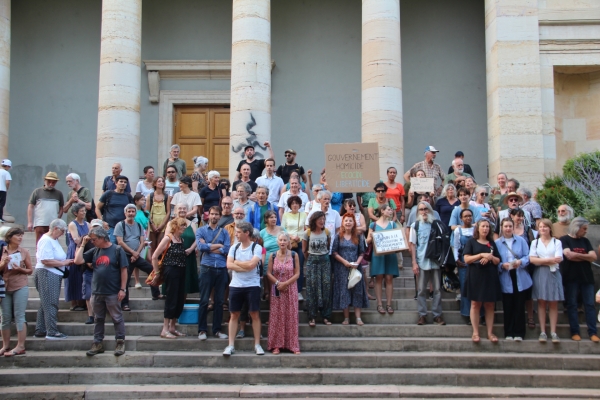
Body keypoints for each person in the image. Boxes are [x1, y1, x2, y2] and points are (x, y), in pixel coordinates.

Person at [75, 226, 128, 357]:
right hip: (97, 291)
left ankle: (120, 342)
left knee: (117, 317)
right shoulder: (94, 251)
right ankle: (97, 342)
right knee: (98, 318)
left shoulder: (117, 249)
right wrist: (83, 244)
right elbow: (78, 260)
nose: (92, 241)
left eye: (94, 239)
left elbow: (124, 270)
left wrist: (122, 289)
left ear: (102, 238)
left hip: (112, 291)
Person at [223, 221, 265, 356]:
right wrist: (242, 265)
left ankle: (257, 344)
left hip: (252, 285)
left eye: (238, 232)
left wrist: (237, 262)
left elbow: (252, 266)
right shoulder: (233, 248)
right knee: (234, 314)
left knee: (254, 314)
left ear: (247, 233)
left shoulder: (256, 248)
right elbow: (228, 265)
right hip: (236, 285)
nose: (236, 234)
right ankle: (230, 345)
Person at [115, 204, 161, 310]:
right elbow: (120, 242)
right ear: (125, 213)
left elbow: (142, 241)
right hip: (125, 256)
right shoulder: (120, 225)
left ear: (135, 213)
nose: (131, 213)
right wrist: (132, 252)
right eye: (129, 211)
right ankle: (124, 304)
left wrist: (137, 253)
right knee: (124, 279)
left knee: (152, 270)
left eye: (133, 211)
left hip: (136, 255)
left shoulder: (139, 225)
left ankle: (156, 293)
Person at [560, 217, 599, 342]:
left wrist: (576, 255)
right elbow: (568, 256)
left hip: (586, 277)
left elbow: (593, 257)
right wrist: (585, 256)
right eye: (584, 229)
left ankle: (593, 332)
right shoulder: (564, 240)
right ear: (577, 227)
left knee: (589, 305)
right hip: (571, 277)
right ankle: (575, 332)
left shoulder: (585, 241)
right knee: (572, 304)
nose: (586, 231)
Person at [463, 219, 502, 343]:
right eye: (483, 226)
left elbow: (498, 260)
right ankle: (475, 332)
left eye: (487, 226)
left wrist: (490, 257)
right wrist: (481, 255)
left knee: (490, 304)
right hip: (475, 276)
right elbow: (467, 259)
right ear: (478, 228)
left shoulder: (491, 243)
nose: (485, 229)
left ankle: (490, 333)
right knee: (475, 304)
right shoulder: (471, 242)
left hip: (490, 276)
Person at [34, 219, 73, 340]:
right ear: (55, 228)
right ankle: (51, 331)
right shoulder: (46, 240)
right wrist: (64, 262)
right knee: (51, 303)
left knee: (45, 302)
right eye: (62, 231)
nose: (63, 233)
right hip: (47, 273)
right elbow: (45, 260)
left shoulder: (53, 240)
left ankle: (40, 329)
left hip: (53, 273)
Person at [150, 217, 188, 339]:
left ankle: (172, 326)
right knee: (171, 298)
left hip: (181, 270)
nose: (184, 228)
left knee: (179, 299)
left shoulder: (181, 239)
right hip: (171, 270)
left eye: (184, 225)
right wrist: (156, 273)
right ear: (175, 226)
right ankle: (165, 329)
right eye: (182, 225)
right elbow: (154, 256)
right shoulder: (168, 238)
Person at [196, 206, 230, 340]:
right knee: (204, 300)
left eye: (217, 214)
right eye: (212, 214)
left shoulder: (224, 232)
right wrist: (218, 246)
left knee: (220, 301)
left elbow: (227, 249)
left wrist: (209, 246)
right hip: (207, 267)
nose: (214, 216)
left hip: (221, 268)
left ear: (220, 217)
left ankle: (217, 329)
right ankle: (202, 330)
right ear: (208, 215)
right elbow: (201, 247)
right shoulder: (201, 230)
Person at [409, 201, 445, 325]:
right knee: (421, 290)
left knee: (437, 290)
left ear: (430, 210)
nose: (424, 212)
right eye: (421, 209)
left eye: (426, 209)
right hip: (422, 260)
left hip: (435, 262)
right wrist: (414, 262)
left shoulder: (437, 225)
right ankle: (422, 315)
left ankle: (437, 315)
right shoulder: (415, 225)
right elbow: (413, 245)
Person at [496, 218, 531, 341]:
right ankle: (509, 332)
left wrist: (521, 261)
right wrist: (501, 265)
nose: (508, 228)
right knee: (508, 306)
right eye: (505, 226)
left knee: (519, 306)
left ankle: (519, 332)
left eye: (510, 226)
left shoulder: (521, 241)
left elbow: (528, 256)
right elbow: (495, 261)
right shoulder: (497, 243)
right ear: (502, 227)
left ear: (513, 227)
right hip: (506, 276)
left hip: (519, 275)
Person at [529, 219, 564, 343]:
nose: (542, 229)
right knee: (541, 302)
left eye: (545, 227)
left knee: (553, 303)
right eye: (540, 227)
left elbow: (559, 259)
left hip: (553, 273)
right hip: (540, 273)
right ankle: (543, 331)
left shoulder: (557, 242)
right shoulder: (535, 242)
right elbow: (532, 259)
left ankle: (553, 332)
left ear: (550, 228)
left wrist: (541, 260)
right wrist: (549, 260)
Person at [0, 227, 32, 356]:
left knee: (19, 316)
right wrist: (3, 263)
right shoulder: (2, 250)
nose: (20, 238)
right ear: (10, 237)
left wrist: (20, 269)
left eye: (21, 236)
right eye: (17, 235)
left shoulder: (24, 252)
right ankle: (5, 345)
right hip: (5, 286)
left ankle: (20, 345)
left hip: (20, 285)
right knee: (5, 317)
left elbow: (30, 270)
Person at [266, 231, 300, 354]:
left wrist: (286, 283)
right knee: (277, 316)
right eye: (280, 240)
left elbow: (297, 274)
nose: (282, 242)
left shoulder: (294, 255)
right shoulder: (272, 255)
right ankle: (276, 345)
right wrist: (278, 284)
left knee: (291, 316)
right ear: (277, 242)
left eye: (285, 240)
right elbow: (268, 273)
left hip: (290, 288)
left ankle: (292, 345)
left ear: (288, 242)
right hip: (277, 288)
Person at [332, 213, 368, 326]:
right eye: (346, 220)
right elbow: (334, 252)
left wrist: (357, 263)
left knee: (357, 291)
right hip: (342, 268)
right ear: (343, 222)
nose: (348, 223)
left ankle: (358, 318)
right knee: (344, 292)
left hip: (356, 268)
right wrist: (344, 262)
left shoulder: (359, 236)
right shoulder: (338, 236)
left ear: (354, 223)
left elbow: (362, 252)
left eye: (350, 221)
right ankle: (346, 318)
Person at [303, 211, 333, 326]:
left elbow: (328, 246)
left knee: (326, 288)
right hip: (312, 261)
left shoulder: (327, 232)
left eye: (323, 219)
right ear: (314, 220)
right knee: (312, 288)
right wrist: (310, 260)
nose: (322, 221)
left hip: (325, 261)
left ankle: (326, 316)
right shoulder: (307, 233)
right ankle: (312, 317)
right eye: (320, 219)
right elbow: (304, 250)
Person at [164, 203, 199, 297]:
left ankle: (181, 304)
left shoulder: (192, 224)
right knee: (173, 283)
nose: (182, 210)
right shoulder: (170, 223)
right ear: (175, 211)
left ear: (187, 210)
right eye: (180, 208)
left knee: (186, 282)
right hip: (174, 258)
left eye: (184, 208)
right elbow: (167, 238)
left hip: (188, 256)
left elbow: (198, 239)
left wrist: (191, 249)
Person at [65, 203, 90, 312]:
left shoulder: (87, 224)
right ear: (75, 213)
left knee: (81, 277)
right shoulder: (72, 224)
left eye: (84, 211)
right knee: (73, 276)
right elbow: (77, 240)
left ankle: (82, 302)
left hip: (84, 250)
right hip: (74, 251)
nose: (84, 212)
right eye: (81, 211)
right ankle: (74, 303)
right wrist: (85, 238)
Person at [281, 195, 307, 300]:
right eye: (292, 203)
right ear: (290, 205)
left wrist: (299, 237)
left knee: (299, 267)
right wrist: (291, 236)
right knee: (288, 267)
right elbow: (283, 229)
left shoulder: (304, 215)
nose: (295, 205)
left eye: (297, 203)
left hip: (300, 243)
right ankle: (287, 290)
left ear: (300, 205)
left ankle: (298, 291)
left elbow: (306, 229)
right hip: (289, 243)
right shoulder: (286, 215)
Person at [27, 172, 65, 243]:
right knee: (40, 243)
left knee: (53, 243)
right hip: (40, 223)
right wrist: (30, 222)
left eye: (53, 182)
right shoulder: (37, 192)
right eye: (49, 182)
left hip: (53, 225)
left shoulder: (59, 193)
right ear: (45, 180)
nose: (51, 184)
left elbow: (61, 208)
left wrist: (58, 219)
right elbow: (30, 206)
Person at [96, 175, 134, 244]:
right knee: (110, 247)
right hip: (110, 227)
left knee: (123, 249)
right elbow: (97, 208)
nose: (123, 183)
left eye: (125, 182)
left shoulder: (128, 196)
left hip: (124, 228)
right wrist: (102, 222)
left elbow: (133, 211)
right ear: (116, 183)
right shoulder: (108, 194)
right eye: (121, 181)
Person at [453, 208, 474, 322]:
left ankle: (478, 314)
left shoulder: (476, 229)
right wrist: (457, 259)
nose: (468, 218)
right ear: (461, 219)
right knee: (464, 286)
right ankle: (466, 312)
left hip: (475, 261)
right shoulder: (458, 231)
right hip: (463, 260)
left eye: (470, 216)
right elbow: (456, 246)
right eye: (465, 216)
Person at [260, 210, 286, 300]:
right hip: (267, 257)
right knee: (266, 273)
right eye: (271, 217)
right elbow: (260, 247)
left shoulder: (282, 229)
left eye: (275, 217)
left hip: (281, 256)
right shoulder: (262, 233)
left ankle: (279, 291)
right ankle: (267, 291)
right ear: (266, 220)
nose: (274, 219)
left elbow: (288, 243)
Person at [146, 177, 171, 255]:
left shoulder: (167, 197)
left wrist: (162, 225)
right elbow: (147, 212)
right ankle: (152, 265)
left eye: (162, 181)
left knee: (160, 245)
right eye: (159, 181)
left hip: (162, 223)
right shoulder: (150, 196)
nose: (161, 183)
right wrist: (152, 224)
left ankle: (160, 264)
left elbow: (168, 212)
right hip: (152, 222)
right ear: (155, 184)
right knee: (152, 245)